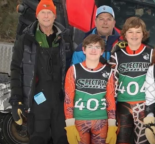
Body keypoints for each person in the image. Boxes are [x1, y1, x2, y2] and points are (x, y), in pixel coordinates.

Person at [9, 0, 73, 143]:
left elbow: (72, 69)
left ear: (54, 16)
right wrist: (16, 100)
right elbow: (16, 69)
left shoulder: (64, 38)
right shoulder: (26, 39)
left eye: (49, 12)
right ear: (37, 15)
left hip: (60, 102)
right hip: (37, 101)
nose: (46, 16)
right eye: (42, 12)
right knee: (38, 138)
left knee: (63, 139)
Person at [64, 34, 117, 144]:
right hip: (79, 120)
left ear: (102, 51)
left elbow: (110, 99)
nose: (93, 50)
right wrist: (69, 124)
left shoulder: (108, 71)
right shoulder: (73, 70)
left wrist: (112, 126)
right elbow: (68, 98)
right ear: (84, 49)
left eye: (97, 47)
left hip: (101, 120)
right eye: (90, 46)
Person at [109, 16, 152, 144]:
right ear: (125, 34)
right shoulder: (116, 55)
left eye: (138, 32)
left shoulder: (152, 53)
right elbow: (110, 85)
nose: (134, 35)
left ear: (143, 34)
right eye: (130, 32)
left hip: (144, 106)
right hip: (123, 106)